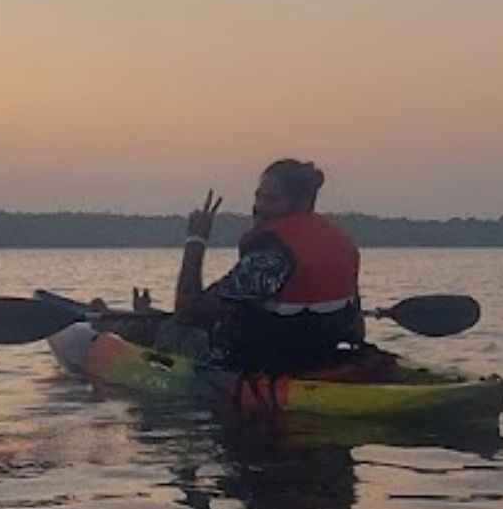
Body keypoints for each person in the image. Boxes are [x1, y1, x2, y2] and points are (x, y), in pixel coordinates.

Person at [157, 158, 366, 373]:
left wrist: (196, 239)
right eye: (258, 197)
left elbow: (186, 310)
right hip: (321, 357)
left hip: (260, 364)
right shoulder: (342, 244)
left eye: (271, 200)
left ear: (303, 203)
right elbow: (357, 329)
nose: (259, 207)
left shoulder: (269, 259)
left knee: (172, 329)